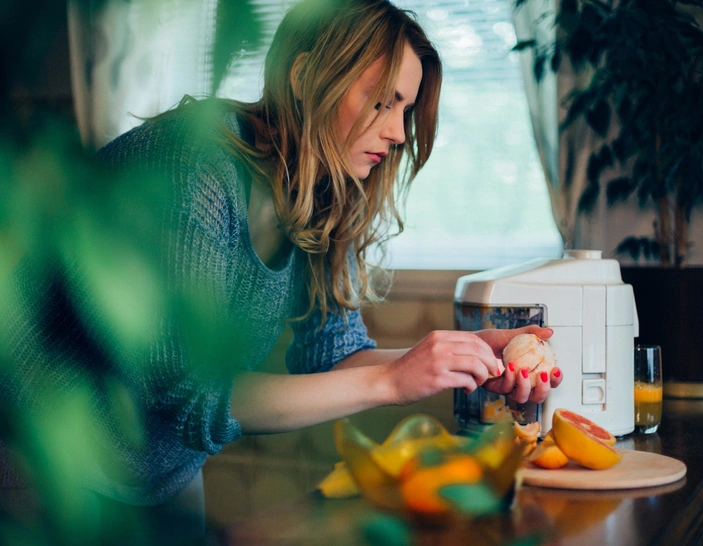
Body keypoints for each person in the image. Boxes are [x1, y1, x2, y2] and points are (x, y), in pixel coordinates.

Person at [0, 0, 562, 540]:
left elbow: (335, 358)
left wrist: (464, 357)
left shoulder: (322, 193)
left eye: (406, 110)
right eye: (381, 102)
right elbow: (193, 397)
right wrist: (391, 382)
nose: (397, 133)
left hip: (159, 474)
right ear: (304, 79)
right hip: (39, 465)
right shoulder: (194, 165)